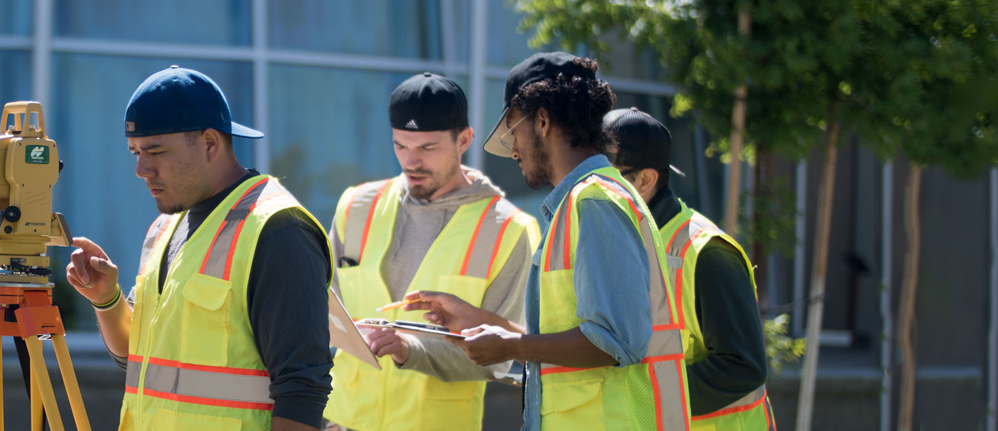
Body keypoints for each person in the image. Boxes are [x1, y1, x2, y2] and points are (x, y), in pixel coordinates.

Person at [403, 52, 694, 431]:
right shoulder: (583, 202)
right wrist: (485, 324)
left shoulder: (595, 202)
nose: (512, 150)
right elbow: (579, 335)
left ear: (541, 120)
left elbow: (614, 341)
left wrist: (509, 347)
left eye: (512, 131)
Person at [66, 66, 333, 431]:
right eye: (135, 152)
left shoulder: (278, 230)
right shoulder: (165, 227)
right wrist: (107, 299)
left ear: (210, 143)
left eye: (155, 151)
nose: (141, 169)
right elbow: (139, 362)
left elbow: (303, 389)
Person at [322, 72, 540, 431]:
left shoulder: (509, 230)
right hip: (344, 423)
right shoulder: (355, 206)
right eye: (400, 146)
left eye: (427, 148)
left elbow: (499, 359)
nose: (411, 162)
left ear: (464, 140)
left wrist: (411, 350)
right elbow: (325, 313)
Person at [604, 107, 774, 430]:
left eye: (606, 177)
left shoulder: (707, 253)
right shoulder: (621, 244)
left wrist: (633, 399)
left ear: (645, 180)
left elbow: (744, 366)